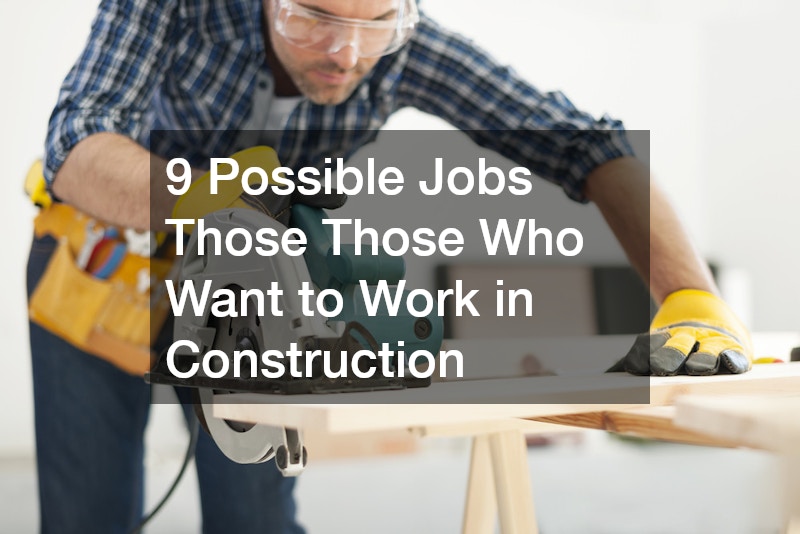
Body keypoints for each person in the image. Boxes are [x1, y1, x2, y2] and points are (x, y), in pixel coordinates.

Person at [29, 0, 753, 532]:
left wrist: (688, 293)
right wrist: (221, 197)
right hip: (94, 270)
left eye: (377, 23)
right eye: (312, 17)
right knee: (86, 514)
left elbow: (587, 145)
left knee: (256, 516)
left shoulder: (412, 50)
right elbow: (77, 140)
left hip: (241, 301)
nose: (345, 53)